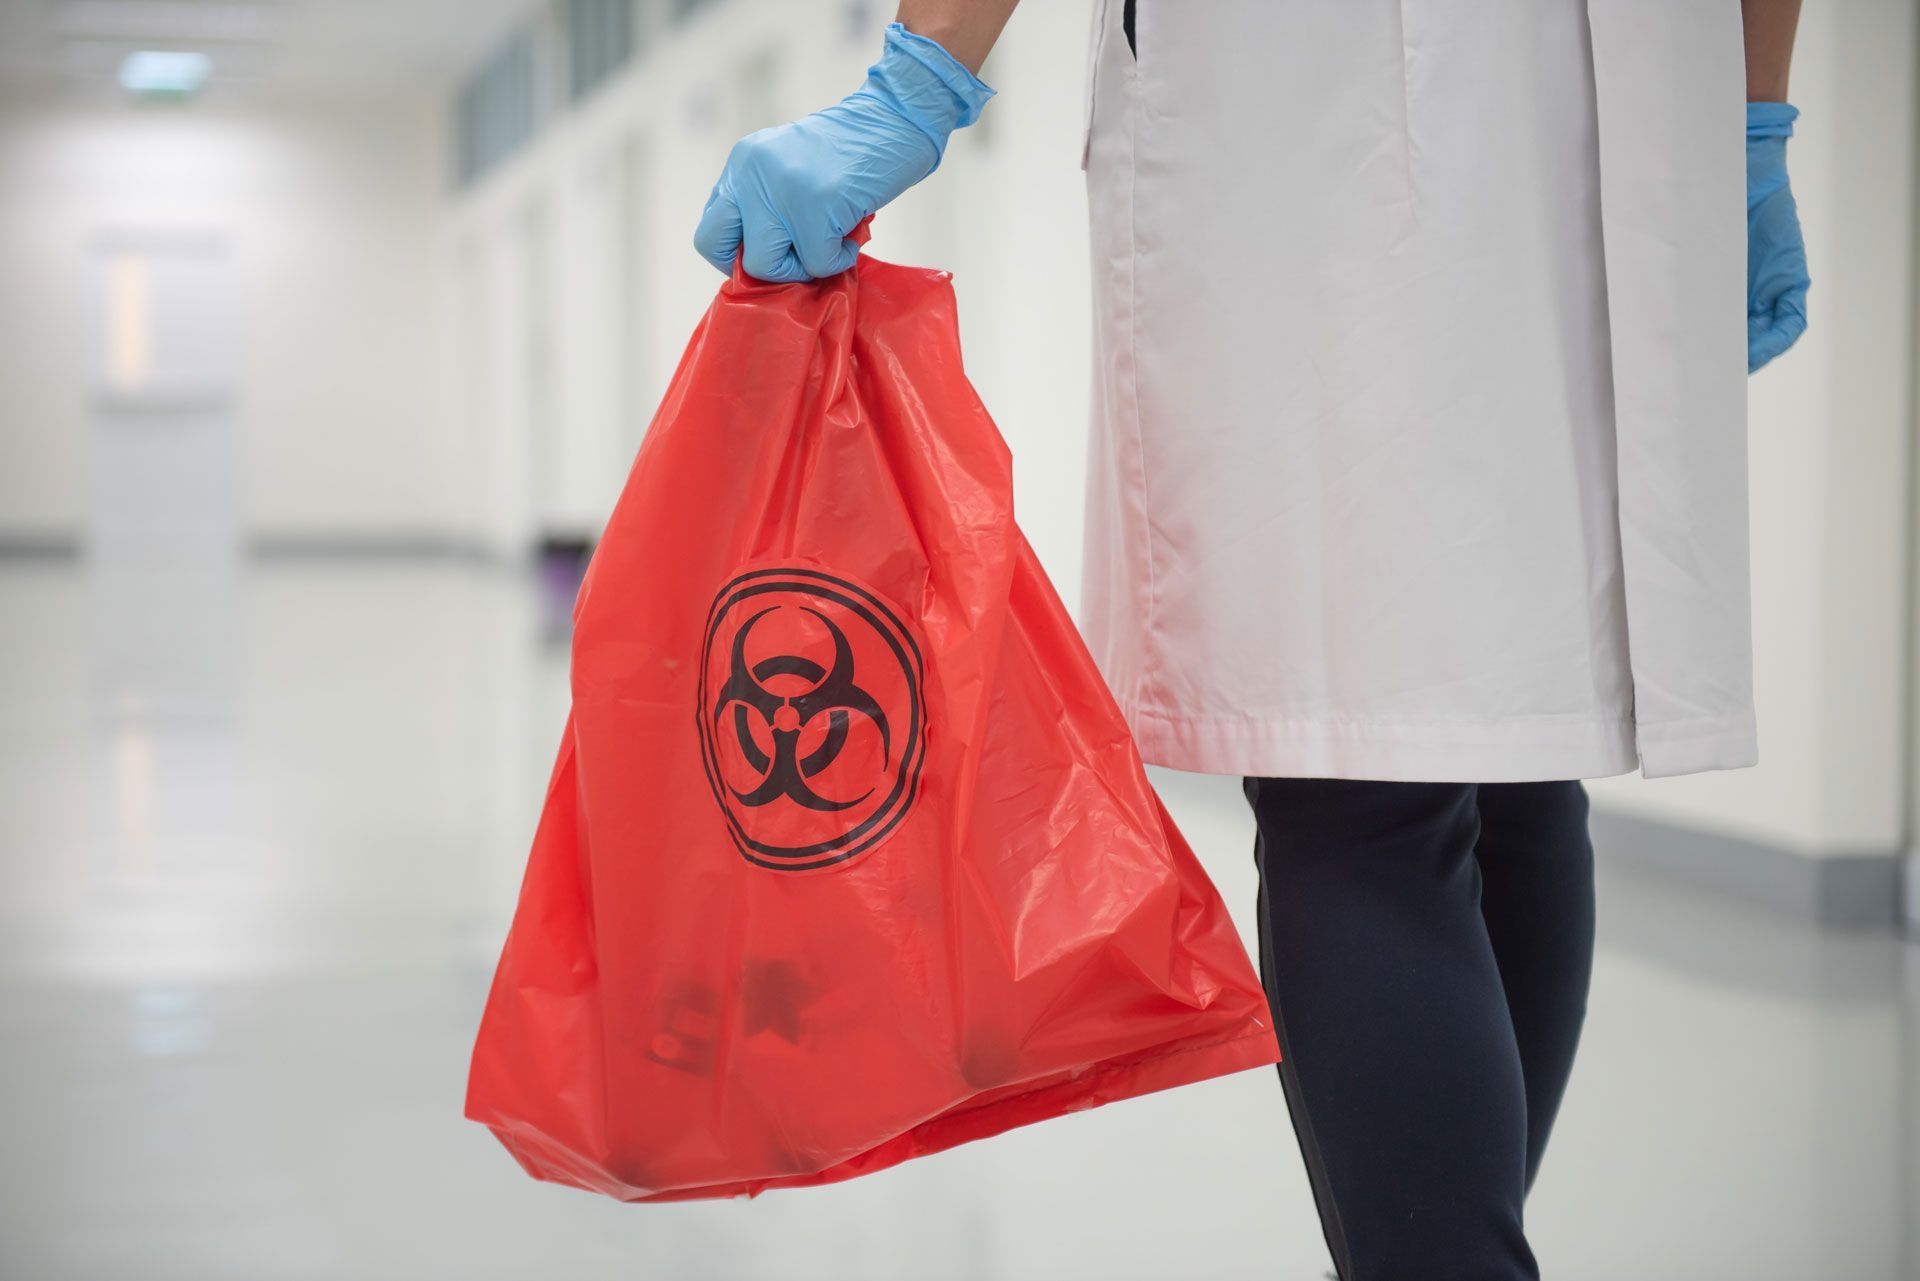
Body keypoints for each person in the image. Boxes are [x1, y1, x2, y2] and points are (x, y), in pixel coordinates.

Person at [692, 1, 1810, 1276]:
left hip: (1308, 91)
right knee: (1513, 734)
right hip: (1625, 75)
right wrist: (1751, 118)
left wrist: (917, 79)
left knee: (1359, 769)